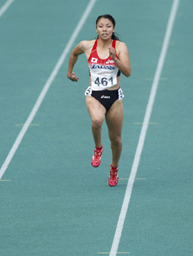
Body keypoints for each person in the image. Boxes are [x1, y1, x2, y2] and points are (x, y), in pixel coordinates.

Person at [67, 14, 131, 187]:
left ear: (113, 28)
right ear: (96, 29)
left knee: (116, 140)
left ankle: (114, 168)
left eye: (108, 26)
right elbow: (73, 54)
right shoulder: (87, 46)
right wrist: (69, 73)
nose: (105, 29)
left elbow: (128, 72)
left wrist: (115, 58)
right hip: (94, 94)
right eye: (101, 26)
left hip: (114, 97)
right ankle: (98, 148)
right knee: (97, 120)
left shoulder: (120, 47)